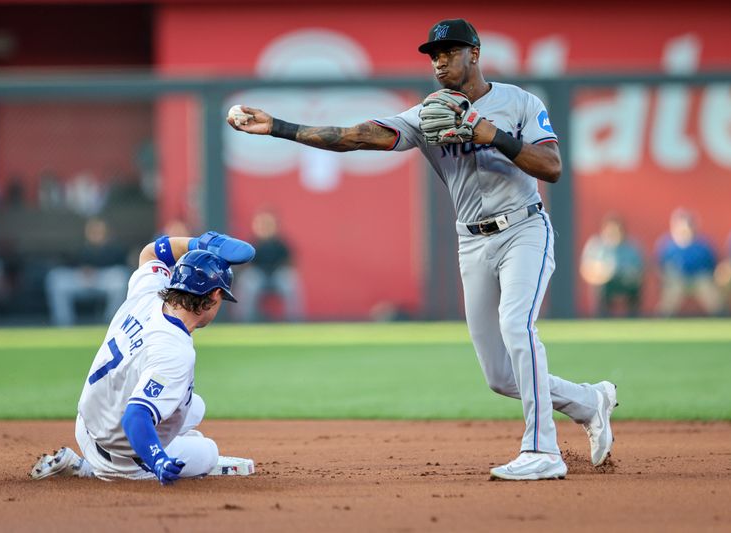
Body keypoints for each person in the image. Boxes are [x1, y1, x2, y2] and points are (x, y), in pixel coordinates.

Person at [229, 18, 616, 481]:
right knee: (500, 375)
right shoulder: (427, 114)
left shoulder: (520, 102)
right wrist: (278, 127)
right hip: (471, 241)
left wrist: (490, 133)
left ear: (474, 53)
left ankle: (542, 450)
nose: (440, 61)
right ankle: (589, 401)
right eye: (434, 54)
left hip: (524, 230)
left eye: (449, 51)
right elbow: (353, 136)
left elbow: (551, 166)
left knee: (517, 326)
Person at [30, 231, 257, 483]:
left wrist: (199, 243)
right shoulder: (175, 351)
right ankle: (90, 469)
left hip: (87, 426)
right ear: (215, 295)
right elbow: (135, 416)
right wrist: (157, 459)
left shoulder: (150, 292)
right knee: (207, 451)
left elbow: (150, 252)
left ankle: (102, 460)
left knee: (195, 407)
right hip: (126, 460)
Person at [44, 218, 130, 326]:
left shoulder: (115, 249)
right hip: (81, 280)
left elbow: (122, 265)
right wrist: (82, 270)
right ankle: (63, 324)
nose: (96, 234)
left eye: (99, 231)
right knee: (55, 277)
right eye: (93, 231)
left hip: (104, 280)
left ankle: (111, 323)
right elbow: (69, 263)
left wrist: (96, 270)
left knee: (120, 277)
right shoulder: (80, 246)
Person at [235, 210, 303, 322]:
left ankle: (294, 320)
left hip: (277, 276)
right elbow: (245, 264)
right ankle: (244, 321)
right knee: (248, 280)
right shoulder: (253, 244)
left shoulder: (281, 244)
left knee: (290, 280)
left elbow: (290, 262)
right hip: (259, 277)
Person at [656, 208, 722, 317]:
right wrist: (667, 278)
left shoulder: (703, 245)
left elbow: (712, 266)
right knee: (671, 295)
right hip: (677, 280)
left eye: (688, 225)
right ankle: (662, 320)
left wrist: (709, 277)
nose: (685, 228)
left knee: (710, 294)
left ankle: (721, 318)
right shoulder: (666, 246)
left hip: (699, 279)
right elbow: (660, 267)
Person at [579, 214, 644, 317]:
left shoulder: (631, 247)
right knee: (600, 291)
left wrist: (632, 275)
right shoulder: (596, 246)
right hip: (604, 284)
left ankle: (633, 320)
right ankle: (601, 320)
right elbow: (585, 269)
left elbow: (640, 270)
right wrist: (600, 273)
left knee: (636, 291)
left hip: (626, 282)